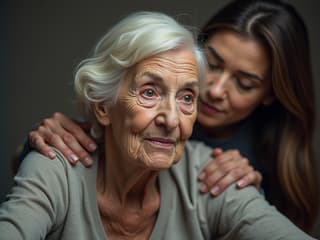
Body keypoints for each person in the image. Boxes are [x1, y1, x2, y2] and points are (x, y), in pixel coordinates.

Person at [0, 10, 316, 240]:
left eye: (187, 96)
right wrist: (34, 152)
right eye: (150, 92)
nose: (216, 90)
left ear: (270, 95)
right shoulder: (67, 161)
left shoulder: (219, 175)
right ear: (102, 105)